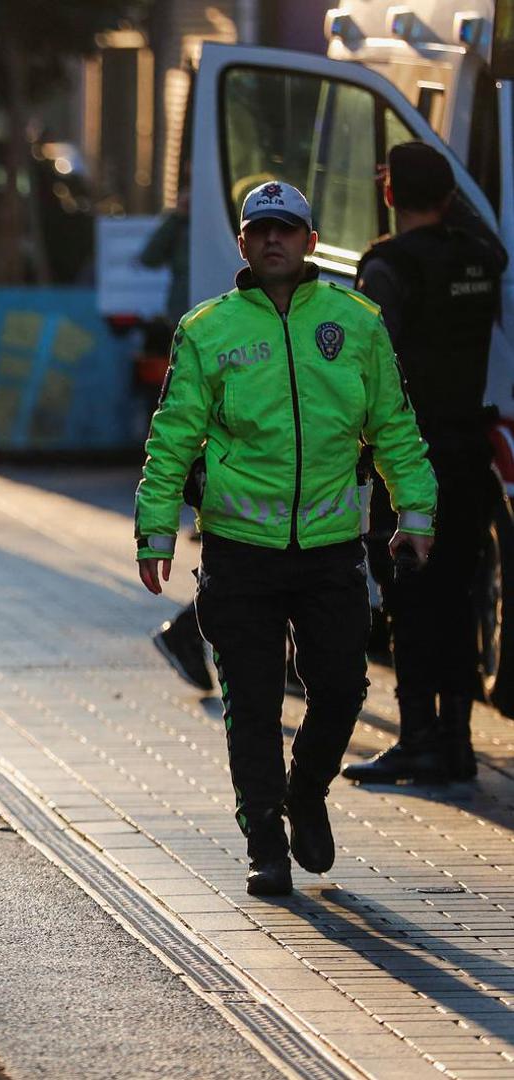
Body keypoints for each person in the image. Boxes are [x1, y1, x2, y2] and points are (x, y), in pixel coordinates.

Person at [134, 180, 436, 897]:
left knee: (339, 687)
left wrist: (415, 515)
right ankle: (264, 839)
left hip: (331, 548)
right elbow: (172, 437)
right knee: (252, 702)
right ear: (241, 244)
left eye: (286, 229)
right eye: (259, 230)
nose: (273, 240)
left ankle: (304, 794)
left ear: (309, 240)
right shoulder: (206, 329)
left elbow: (392, 426)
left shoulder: (355, 321)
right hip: (239, 552)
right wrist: (154, 531)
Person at [343, 143, 508, 785]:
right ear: (447, 198)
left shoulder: (386, 267)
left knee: (409, 597)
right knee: (458, 595)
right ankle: (458, 742)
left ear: (388, 196)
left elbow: (368, 365)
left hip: (409, 455)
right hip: (470, 450)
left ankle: (417, 740)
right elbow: (482, 231)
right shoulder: (483, 258)